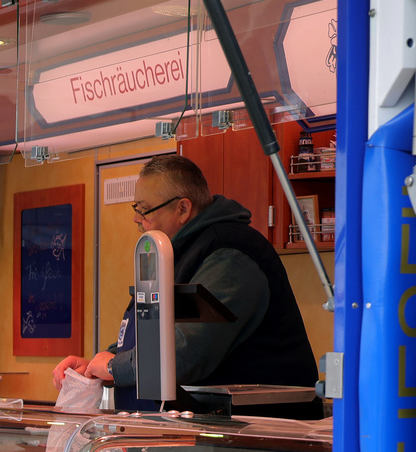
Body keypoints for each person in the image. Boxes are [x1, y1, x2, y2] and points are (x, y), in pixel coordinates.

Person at [52, 153, 319, 411]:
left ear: (183, 208)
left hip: (257, 437)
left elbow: (185, 354)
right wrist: (96, 367)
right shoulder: (173, 253)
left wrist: (114, 367)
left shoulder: (230, 254)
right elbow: (155, 335)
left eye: (144, 210)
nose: (136, 218)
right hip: (194, 436)